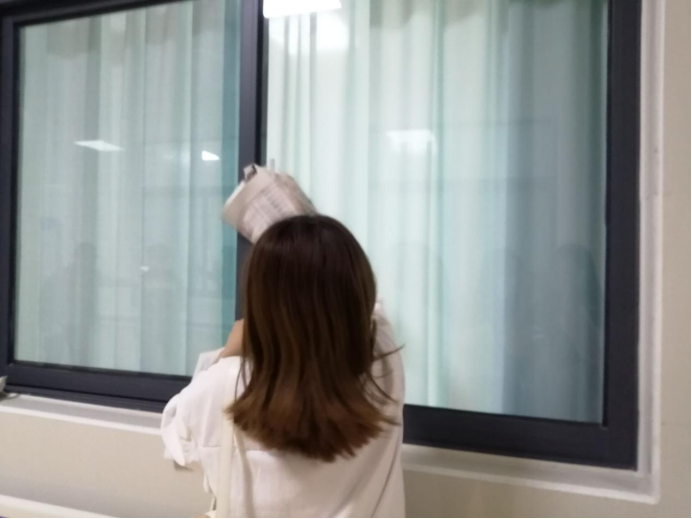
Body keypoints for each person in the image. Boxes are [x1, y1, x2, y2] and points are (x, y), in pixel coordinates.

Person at [162, 215, 405, 518]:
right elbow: (370, 308)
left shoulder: (222, 387)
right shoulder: (383, 370)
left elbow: (177, 441)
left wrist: (227, 353)